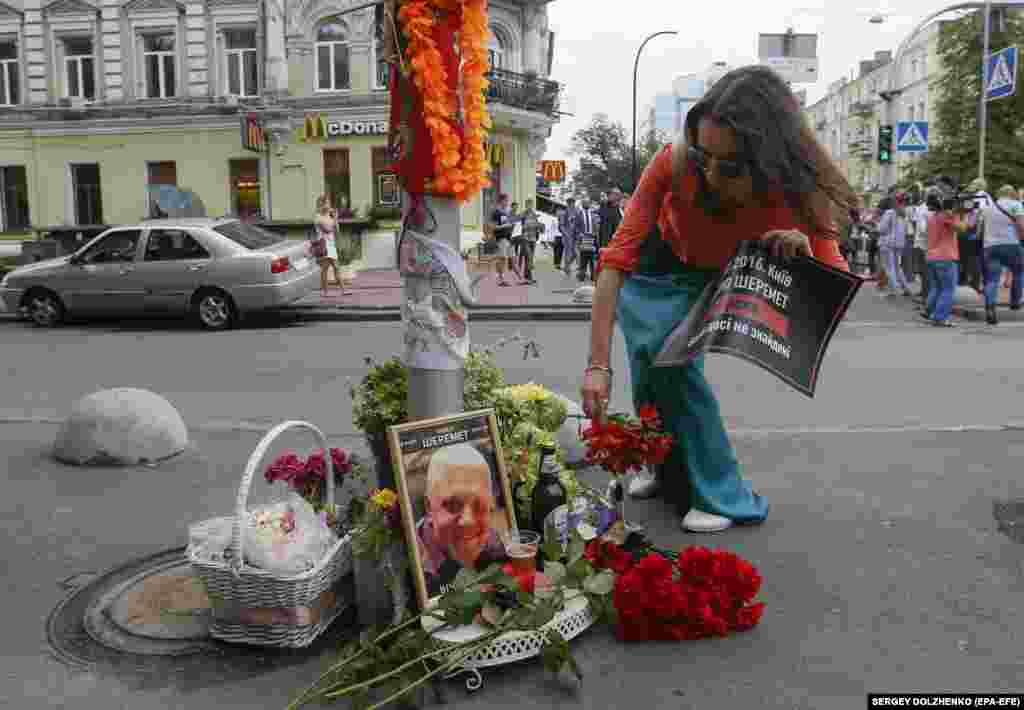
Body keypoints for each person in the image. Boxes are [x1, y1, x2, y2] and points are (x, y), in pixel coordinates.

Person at [580, 65, 856, 533]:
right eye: (703, 155)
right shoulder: (673, 160)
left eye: (728, 166)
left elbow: (836, 285)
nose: (708, 174)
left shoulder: (802, 192)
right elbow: (615, 260)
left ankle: (724, 495)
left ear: (769, 158)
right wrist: (597, 366)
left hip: (721, 270)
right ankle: (666, 473)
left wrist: (805, 256)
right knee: (646, 370)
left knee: (675, 368)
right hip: (660, 260)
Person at [415, 444, 506, 598]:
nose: (467, 521)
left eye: (479, 504)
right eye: (453, 505)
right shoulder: (413, 565)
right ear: (428, 506)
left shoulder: (493, 543)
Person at [979, 184, 1024, 325]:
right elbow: (1022, 225)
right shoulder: (1016, 205)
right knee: (1018, 272)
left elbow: (980, 230)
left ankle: (990, 308)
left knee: (992, 279)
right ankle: (1015, 302)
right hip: (1011, 244)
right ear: (1012, 194)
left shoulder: (988, 208)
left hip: (990, 247)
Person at [921, 191, 967, 327]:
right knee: (948, 289)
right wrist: (961, 214)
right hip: (946, 257)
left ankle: (929, 310)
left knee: (936, 287)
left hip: (931, 256)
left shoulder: (931, 217)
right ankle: (940, 318)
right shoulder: (947, 216)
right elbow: (962, 228)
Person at [877, 194, 912, 297]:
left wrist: (877, 227)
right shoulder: (905, 213)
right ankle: (906, 288)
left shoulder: (890, 212)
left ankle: (894, 288)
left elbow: (882, 229)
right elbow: (908, 230)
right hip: (899, 243)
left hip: (887, 243)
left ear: (895, 201)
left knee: (888, 267)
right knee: (897, 267)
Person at [314, 194, 342, 296]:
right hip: (324, 245)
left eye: (329, 203)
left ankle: (343, 290)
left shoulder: (329, 216)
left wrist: (335, 219)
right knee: (325, 269)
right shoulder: (318, 217)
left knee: (336, 267)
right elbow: (328, 230)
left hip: (331, 244)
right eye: (326, 203)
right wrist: (335, 218)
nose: (329, 205)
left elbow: (337, 231)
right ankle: (325, 292)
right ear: (321, 204)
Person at [489, 194, 516, 287]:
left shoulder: (505, 212)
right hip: (501, 238)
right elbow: (493, 227)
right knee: (503, 258)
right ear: (501, 201)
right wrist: (505, 226)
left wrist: (511, 225)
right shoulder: (496, 212)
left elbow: (507, 223)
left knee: (506, 258)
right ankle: (500, 278)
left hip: (508, 238)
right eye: (506, 201)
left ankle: (501, 277)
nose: (507, 203)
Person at [517, 198, 542, 284]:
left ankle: (528, 277)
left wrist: (539, 227)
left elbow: (537, 226)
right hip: (525, 238)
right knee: (529, 256)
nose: (529, 206)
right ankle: (527, 276)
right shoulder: (523, 214)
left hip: (533, 238)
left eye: (531, 204)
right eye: (528, 204)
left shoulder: (534, 214)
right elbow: (518, 223)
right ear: (525, 205)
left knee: (528, 258)